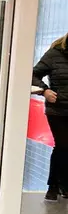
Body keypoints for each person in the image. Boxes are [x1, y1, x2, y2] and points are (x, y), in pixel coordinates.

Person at [32, 34, 68, 202]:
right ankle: (53, 186)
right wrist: (44, 91)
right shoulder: (54, 54)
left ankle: (62, 185)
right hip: (57, 110)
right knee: (62, 145)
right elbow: (33, 75)